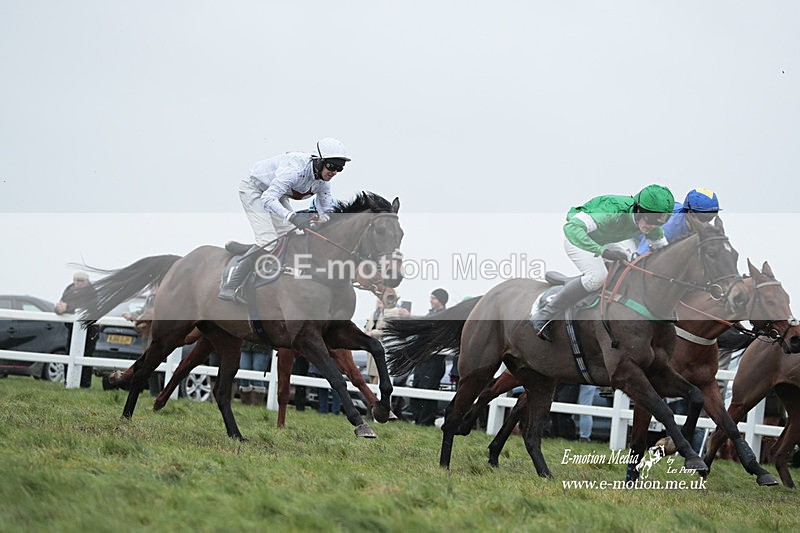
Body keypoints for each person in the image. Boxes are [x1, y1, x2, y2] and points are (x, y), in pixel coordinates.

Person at [531, 184, 675, 342]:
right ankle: (544, 314)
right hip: (578, 239)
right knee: (598, 277)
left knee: (631, 265)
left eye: (661, 221)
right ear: (638, 209)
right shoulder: (611, 211)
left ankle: (579, 285)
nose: (653, 225)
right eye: (651, 219)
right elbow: (571, 229)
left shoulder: (651, 223)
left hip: (605, 241)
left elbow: (665, 252)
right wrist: (603, 252)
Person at [219, 137, 351, 303]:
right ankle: (231, 285)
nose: (334, 172)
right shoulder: (294, 169)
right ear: (319, 162)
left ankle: (256, 253)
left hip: (277, 195)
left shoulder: (323, 183)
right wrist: (293, 216)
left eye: (340, 168)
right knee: (268, 239)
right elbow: (268, 198)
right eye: (331, 166)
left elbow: (326, 213)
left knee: (293, 235)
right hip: (255, 190)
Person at [635, 187, 721, 256]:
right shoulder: (669, 227)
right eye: (702, 218)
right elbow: (641, 257)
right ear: (689, 213)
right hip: (632, 239)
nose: (706, 223)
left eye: (710, 218)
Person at [410, 288, 450, 426]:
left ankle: (425, 421)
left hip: (434, 360)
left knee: (428, 388)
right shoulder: (431, 314)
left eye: (433, 298)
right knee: (417, 386)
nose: (430, 300)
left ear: (441, 300)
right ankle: (418, 418)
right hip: (422, 358)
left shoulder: (445, 315)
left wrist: (410, 316)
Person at [54, 272, 99, 388]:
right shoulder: (69, 289)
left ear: (87, 282)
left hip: (89, 329)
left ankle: (84, 384)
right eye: (76, 280)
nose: (77, 284)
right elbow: (61, 303)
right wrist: (58, 309)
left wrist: (67, 308)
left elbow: (86, 308)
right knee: (69, 353)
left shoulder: (92, 292)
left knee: (86, 355)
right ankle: (68, 381)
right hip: (72, 328)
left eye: (81, 281)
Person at [238, 340, 272, 406]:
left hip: (262, 346)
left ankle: (257, 404)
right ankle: (245, 403)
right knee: (243, 372)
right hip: (246, 344)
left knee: (258, 374)